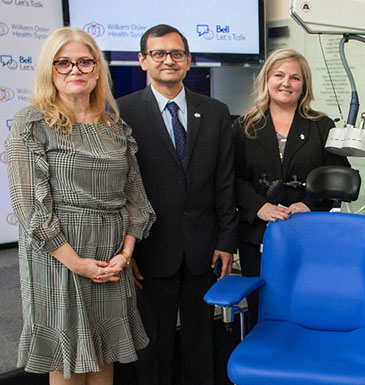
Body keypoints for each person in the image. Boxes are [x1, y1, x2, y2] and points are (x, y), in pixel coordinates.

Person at [5, 27, 156, 384]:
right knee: (68, 363)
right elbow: (30, 208)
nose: (76, 70)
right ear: (50, 70)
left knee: (105, 357)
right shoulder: (33, 123)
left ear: (97, 70)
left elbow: (137, 199)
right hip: (58, 260)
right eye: (64, 63)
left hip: (110, 258)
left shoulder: (115, 127)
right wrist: (78, 264)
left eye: (85, 62)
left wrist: (125, 255)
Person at [117, 24, 237, 385]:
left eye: (176, 54)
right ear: (142, 61)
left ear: (188, 61)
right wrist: (128, 250)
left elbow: (224, 181)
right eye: (158, 54)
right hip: (150, 251)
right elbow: (119, 188)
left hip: (204, 248)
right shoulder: (122, 112)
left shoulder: (215, 111)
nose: (168, 60)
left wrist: (226, 242)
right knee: (155, 344)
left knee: (201, 341)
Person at [234, 48, 350, 332]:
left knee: (307, 305)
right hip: (257, 235)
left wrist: (310, 204)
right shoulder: (244, 126)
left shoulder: (321, 125)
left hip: (309, 232)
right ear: (267, 80)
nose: (286, 83)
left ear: (304, 85)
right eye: (279, 75)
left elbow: (339, 176)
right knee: (262, 309)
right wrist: (258, 206)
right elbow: (232, 178)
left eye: (295, 77)